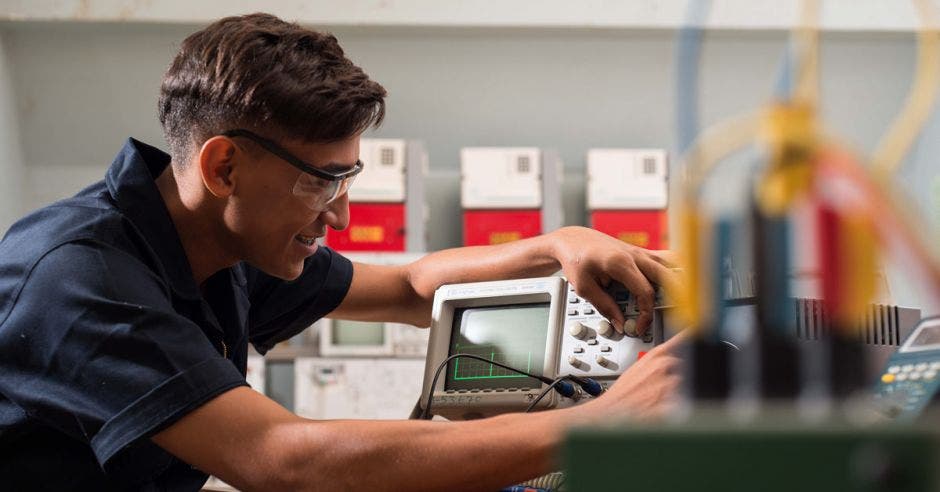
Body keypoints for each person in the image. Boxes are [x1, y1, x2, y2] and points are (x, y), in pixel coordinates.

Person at [0, 13, 683, 491]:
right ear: (224, 169)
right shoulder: (81, 277)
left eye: (347, 180)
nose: (342, 213)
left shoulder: (218, 246)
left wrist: (558, 246)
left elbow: (414, 289)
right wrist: (603, 423)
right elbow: (286, 463)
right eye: (317, 183)